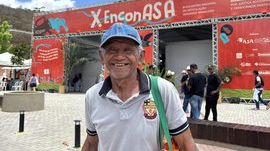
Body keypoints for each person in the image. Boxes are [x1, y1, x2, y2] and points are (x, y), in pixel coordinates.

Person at [82, 23, 198, 151]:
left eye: (128, 50)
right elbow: (92, 143)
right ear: (101, 56)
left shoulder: (161, 89)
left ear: (141, 56)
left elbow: (186, 143)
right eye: (112, 50)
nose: (119, 57)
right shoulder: (92, 95)